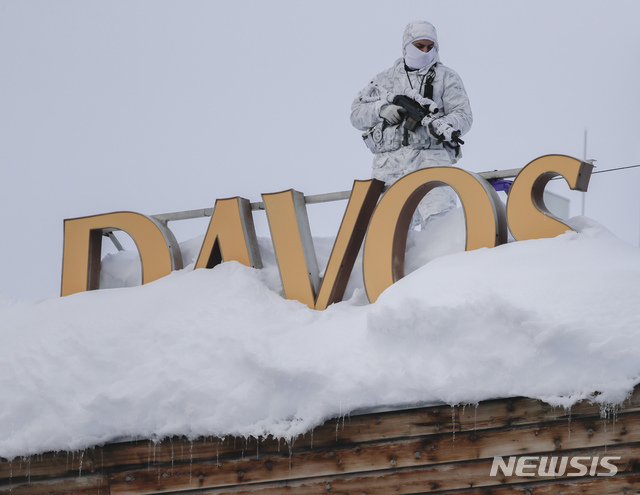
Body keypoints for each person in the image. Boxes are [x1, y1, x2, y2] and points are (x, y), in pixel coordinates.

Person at [351, 20, 472, 228]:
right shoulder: (383, 80)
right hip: (389, 166)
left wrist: (441, 126)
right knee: (388, 229)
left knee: (439, 225)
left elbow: (464, 115)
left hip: (430, 160)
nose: (425, 51)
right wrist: (381, 109)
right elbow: (356, 114)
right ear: (407, 45)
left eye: (430, 47)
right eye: (419, 46)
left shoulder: (446, 77)